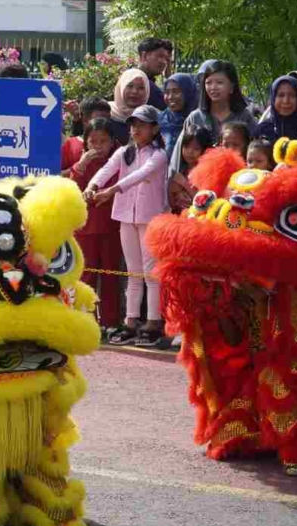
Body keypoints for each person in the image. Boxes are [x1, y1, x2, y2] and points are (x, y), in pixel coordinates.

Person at [85, 105, 169, 347]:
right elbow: (105, 170)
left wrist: (112, 190)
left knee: (151, 273)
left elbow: (142, 174)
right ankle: (131, 321)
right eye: (133, 125)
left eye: (142, 125)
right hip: (126, 216)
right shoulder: (124, 152)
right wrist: (92, 186)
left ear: (154, 129)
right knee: (133, 272)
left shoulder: (159, 155)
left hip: (150, 217)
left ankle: (153, 322)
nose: (136, 129)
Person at [69, 117, 122, 333]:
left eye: (103, 141)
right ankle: (85, 318)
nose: (98, 146)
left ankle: (110, 321)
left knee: (110, 275)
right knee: (86, 275)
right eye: (93, 141)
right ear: (86, 142)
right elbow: (73, 189)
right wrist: (81, 164)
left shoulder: (117, 163)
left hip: (111, 227)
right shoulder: (81, 164)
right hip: (86, 229)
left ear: (112, 143)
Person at [170, 60, 257, 173]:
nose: (213, 87)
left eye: (219, 82)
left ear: (231, 87)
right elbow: (179, 157)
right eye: (208, 83)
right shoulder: (195, 117)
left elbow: (255, 152)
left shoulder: (245, 117)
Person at [258, 75, 297, 141]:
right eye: (281, 95)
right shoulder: (263, 130)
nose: (286, 101)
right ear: (273, 98)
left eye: (292, 95)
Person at [61, 96, 111, 176]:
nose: (104, 123)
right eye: (99, 119)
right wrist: (80, 165)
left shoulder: (114, 144)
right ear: (85, 120)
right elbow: (54, 176)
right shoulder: (70, 145)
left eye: (108, 119)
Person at [168, 126, 214, 212]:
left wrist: (185, 184)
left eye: (196, 148)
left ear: (205, 150)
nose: (190, 152)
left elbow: (205, 203)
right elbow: (172, 205)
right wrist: (173, 192)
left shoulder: (206, 173)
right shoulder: (182, 170)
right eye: (186, 147)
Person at [108, 68, 151, 145]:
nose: (134, 91)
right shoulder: (106, 112)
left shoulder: (151, 116)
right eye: (130, 86)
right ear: (121, 87)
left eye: (141, 88)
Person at [160, 74, 198, 160]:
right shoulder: (159, 120)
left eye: (176, 91)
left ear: (188, 93)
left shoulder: (198, 120)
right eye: (167, 92)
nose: (170, 97)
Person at [137, 38, 173, 110]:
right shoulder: (142, 82)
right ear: (144, 56)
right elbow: (170, 109)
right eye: (159, 56)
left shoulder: (146, 81)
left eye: (166, 59)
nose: (164, 62)